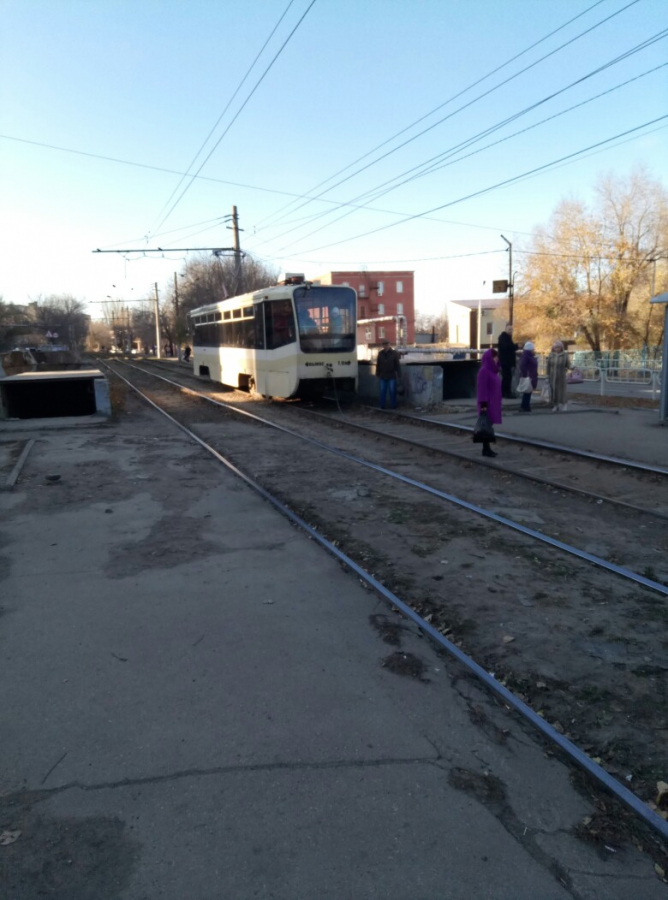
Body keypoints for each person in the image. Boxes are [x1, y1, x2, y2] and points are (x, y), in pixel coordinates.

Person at [476, 348, 502, 457]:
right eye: (494, 357)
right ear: (489, 358)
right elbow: (482, 389)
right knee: (485, 426)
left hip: (492, 403)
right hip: (486, 403)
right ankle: (485, 449)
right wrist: (483, 405)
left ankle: (487, 448)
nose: (496, 359)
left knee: (488, 425)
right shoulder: (484, 371)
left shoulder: (493, 371)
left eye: (497, 357)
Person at [376, 339, 402, 410]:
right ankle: (382, 405)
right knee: (382, 391)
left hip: (391, 375)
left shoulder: (394, 353)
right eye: (384, 345)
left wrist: (399, 374)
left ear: (389, 345)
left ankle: (393, 405)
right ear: (383, 345)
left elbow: (397, 365)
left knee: (392, 391)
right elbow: (378, 364)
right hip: (383, 375)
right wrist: (377, 373)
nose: (386, 346)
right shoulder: (380, 353)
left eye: (387, 344)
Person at [546, 340, 570, 412]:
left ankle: (564, 404)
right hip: (552, 376)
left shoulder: (564, 355)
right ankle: (555, 405)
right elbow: (548, 366)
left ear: (561, 347)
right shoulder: (551, 355)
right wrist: (547, 376)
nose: (557, 349)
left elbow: (568, 365)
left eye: (559, 347)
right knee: (554, 391)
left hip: (561, 376)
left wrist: (572, 368)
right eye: (556, 347)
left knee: (562, 391)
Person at [497, 323, 519, 399]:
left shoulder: (507, 338)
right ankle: (506, 393)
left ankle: (505, 392)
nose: (511, 331)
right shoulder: (503, 337)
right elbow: (508, 348)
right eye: (509, 329)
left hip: (507, 361)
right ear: (506, 329)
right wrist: (516, 346)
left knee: (507, 377)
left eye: (511, 329)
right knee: (507, 377)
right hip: (505, 361)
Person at [518, 341, 538, 412]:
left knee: (528, 391)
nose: (534, 350)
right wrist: (526, 374)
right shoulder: (526, 356)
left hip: (531, 375)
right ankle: (524, 406)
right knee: (527, 391)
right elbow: (522, 366)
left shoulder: (529, 356)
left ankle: (526, 406)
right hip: (528, 376)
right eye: (533, 349)